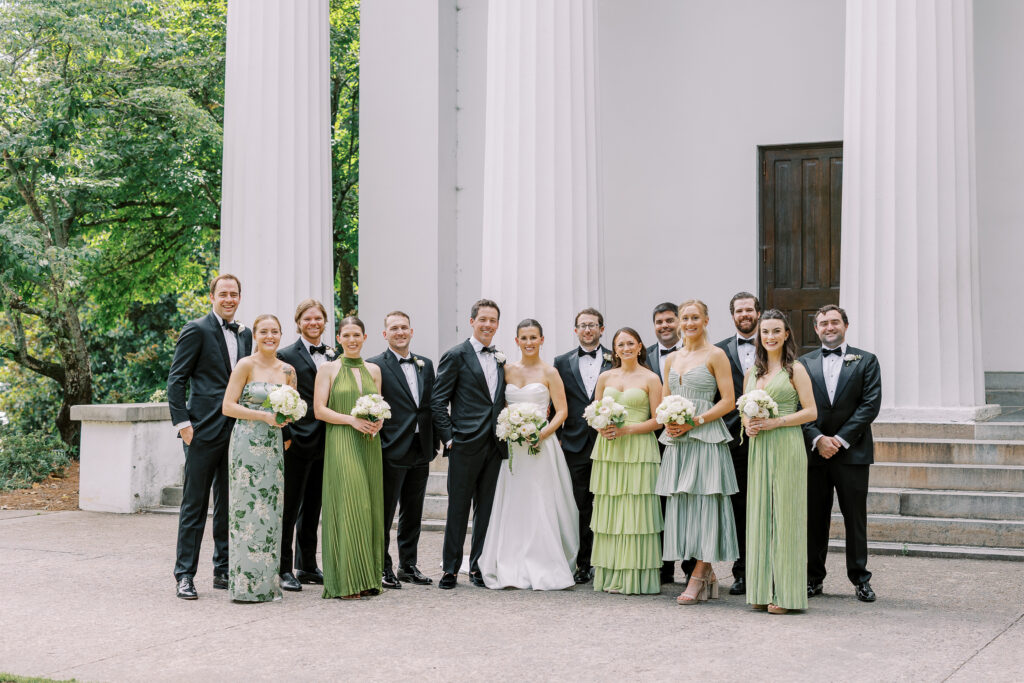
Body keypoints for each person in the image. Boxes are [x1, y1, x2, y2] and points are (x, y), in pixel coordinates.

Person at [167, 274, 252, 600]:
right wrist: (183, 425)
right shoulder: (197, 329)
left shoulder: (244, 335)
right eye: (224, 294)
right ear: (212, 297)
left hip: (236, 431)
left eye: (234, 294)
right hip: (201, 431)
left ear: (239, 298)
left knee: (230, 505)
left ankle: (223, 570)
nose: (229, 299)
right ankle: (185, 575)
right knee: (194, 505)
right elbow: (176, 380)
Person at [479, 319, 579, 590]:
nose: (529, 342)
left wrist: (541, 435)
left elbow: (562, 412)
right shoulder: (507, 370)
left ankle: (544, 559)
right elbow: (497, 405)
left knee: (540, 500)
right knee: (514, 501)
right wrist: (508, 429)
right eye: (524, 337)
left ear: (542, 339)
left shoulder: (550, 372)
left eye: (534, 337)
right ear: (516, 341)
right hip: (512, 448)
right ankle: (509, 558)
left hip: (539, 446)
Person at [657, 300, 739, 604]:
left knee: (707, 505)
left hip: (706, 439)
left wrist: (696, 421)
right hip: (679, 440)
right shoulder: (671, 358)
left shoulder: (716, 355)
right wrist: (669, 420)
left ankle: (699, 575)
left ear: (705, 320)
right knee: (685, 506)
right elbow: (665, 399)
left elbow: (728, 400)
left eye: (695, 317)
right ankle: (705, 573)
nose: (689, 322)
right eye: (684, 318)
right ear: (679, 322)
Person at [800, 304, 882, 603]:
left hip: (853, 454)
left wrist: (840, 439)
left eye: (835, 322)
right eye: (823, 323)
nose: (829, 327)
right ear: (816, 329)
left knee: (855, 519)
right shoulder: (803, 364)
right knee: (814, 519)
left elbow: (869, 405)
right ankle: (812, 578)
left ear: (845, 325)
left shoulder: (867, 361)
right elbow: (798, 406)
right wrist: (818, 438)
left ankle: (860, 579)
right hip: (815, 454)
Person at [743, 310, 817, 614]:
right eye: (765, 332)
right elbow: (743, 407)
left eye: (776, 331)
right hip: (759, 448)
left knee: (785, 518)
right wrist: (747, 423)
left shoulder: (795, 369)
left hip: (786, 444)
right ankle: (761, 589)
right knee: (761, 516)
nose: (770, 337)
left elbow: (811, 412)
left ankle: (787, 595)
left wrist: (778, 422)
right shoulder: (754, 371)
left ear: (786, 334)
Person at [431, 299, 508, 590]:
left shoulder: (501, 358)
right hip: (464, 444)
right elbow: (438, 401)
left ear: (497, 325)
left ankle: (478, 567)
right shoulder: (455, 355)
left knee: (486, 509)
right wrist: (450, 438)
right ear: (472, 321)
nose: (488, 325)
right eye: (483, 319)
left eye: (493, 320)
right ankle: (450, 569)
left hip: (495, 444)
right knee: (458, 508)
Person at [221, 314, 294, 602]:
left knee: (271, 512)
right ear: (256, 335)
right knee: (245, 512)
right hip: (246, 443)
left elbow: (292, 408)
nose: (270, 336)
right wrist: (263, 415)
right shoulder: (245, 365)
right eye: (264, 331)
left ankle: (267, 584)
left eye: (275, 331)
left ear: (280, 335)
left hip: (273, 445)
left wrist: (287, 416)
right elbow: (228, 406)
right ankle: (244, 586)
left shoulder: (288, 370)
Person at [313, 316, 385, 600]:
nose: (352, 340)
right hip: (342, 440)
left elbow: (378, 406)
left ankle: (367, 576)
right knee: (349, 503)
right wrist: (351, 420)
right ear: (339, 338)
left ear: (365, 338)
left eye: (357, 335)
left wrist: (378, 421)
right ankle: (345, 580)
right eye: (347, 335)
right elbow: (319, 410)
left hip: (369, 441)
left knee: (369, 507)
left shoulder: (375, 370)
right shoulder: (327, 369)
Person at [368, 311, 439, 589]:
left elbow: (431, 405)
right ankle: (382, 565)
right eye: (394, 328)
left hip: (421, 448)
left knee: (413, 510)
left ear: (411, 331)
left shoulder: (426, 364)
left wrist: (437, 441)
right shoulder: (375, 365)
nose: (400, 332)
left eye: (404, 327)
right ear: (385, 334)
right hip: (391, 447)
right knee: (385, 511)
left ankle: (408, 565)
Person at [590, 327, 664, 595]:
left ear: (640, 346)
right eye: (620, 344)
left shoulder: (652, 379)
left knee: (636, 510)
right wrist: (602, 427)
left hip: (639, 449)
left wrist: (627, 429)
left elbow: (659, 420)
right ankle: (611, 573)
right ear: (614, 349)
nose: (626, 348)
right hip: (610, 449)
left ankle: (637, 576)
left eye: (631, 343)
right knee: (611, 508)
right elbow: (594, 412)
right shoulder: (605, 377)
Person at [553, 308, 613, 584]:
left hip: (611, 442)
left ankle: (611, 560)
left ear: (602, 328)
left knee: (610, 502)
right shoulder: (561, 362)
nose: (588, 330)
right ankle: (583, 562)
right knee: (580, 505)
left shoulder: (616, 360)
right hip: (575, 444)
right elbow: (555, 403)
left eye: (592, 325)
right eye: (582, 326)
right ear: (575, 330)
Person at [276, 299, 332, 591]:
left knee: (313, 506)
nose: (313, 323)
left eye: (318, 318)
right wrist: (287, 435)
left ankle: (307, 564)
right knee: (290, 507)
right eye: (308, 319)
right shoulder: (285, 355)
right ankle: (284, 567)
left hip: (327, 442)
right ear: (299, 323)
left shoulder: (333, 354)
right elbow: (280, 399)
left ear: (324, 321)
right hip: (297, 442)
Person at [713, 291, 761, 595]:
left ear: (758, 312)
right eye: (739, 310)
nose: (744, 315)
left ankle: (770, 568)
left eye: (749, 310)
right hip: (733, 441)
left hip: (768, 435)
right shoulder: (719, 351)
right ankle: (742, 571)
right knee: (740, 507)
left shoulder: (774, 346)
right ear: (732, 315)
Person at [644, 302, 689, 585]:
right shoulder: (643, 355)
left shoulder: (692, 354)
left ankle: (691, 565)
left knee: (684, 500)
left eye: (670, 321)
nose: (665, 326)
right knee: (657, 502)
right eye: (659, 322)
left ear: (679, 323)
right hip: (650, 441)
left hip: (684, 436)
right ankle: (662, 566)